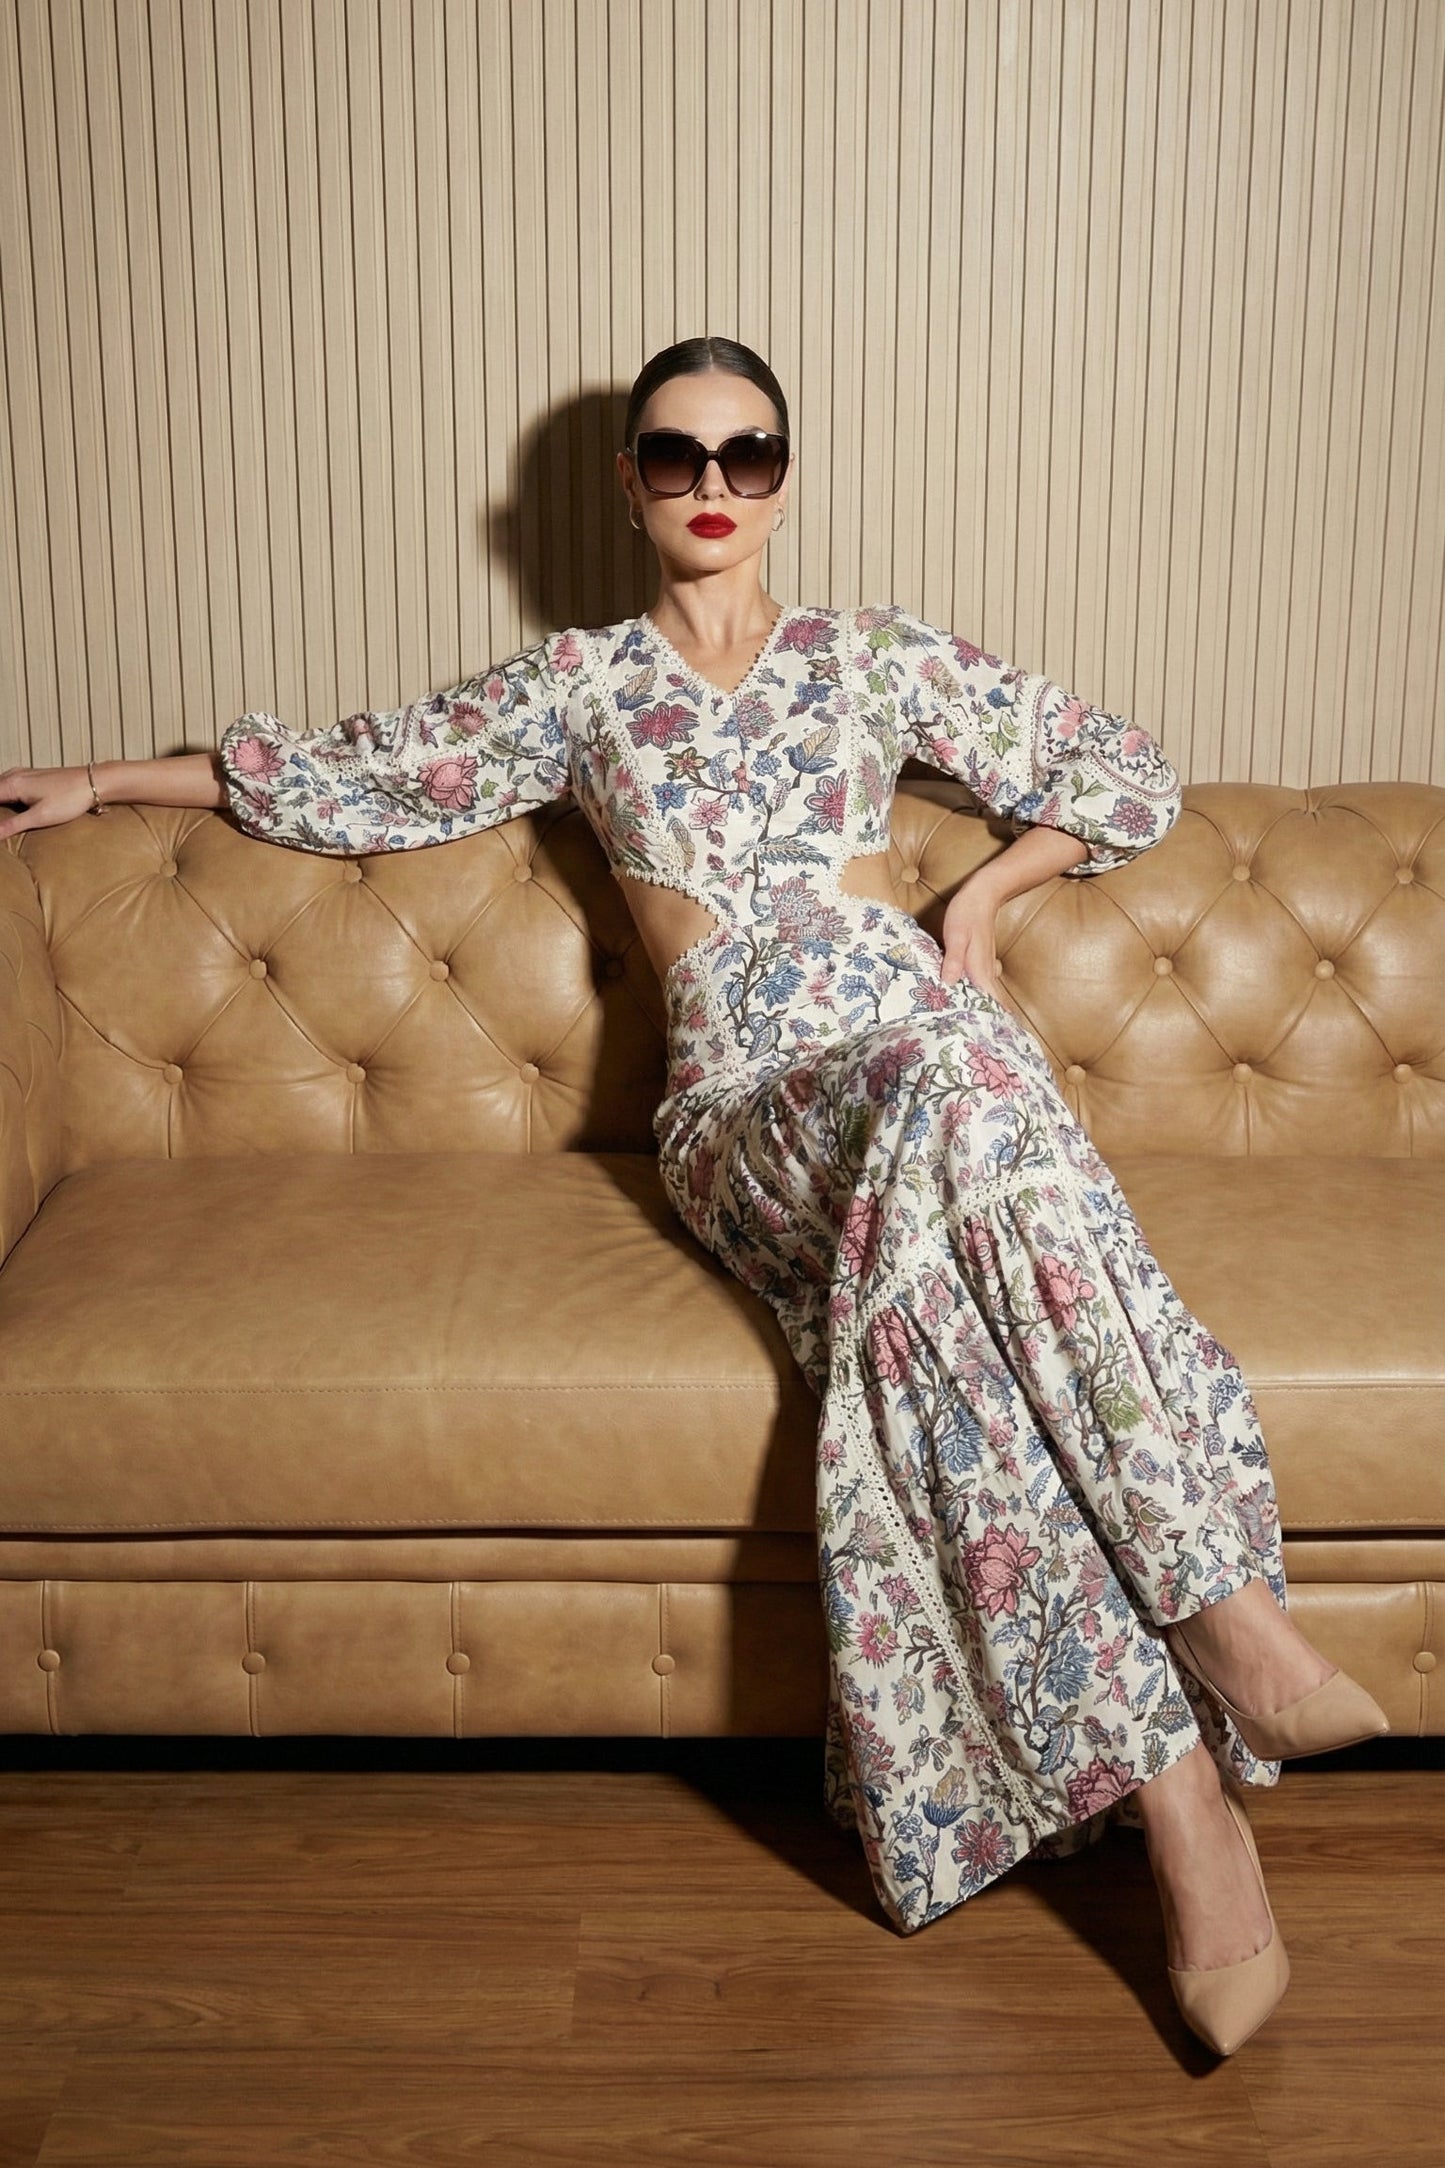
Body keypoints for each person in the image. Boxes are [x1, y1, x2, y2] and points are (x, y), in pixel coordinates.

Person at [0, 333, 1387, 2056]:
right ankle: (1217, 1616)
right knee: (971, 1098)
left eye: (749, 456)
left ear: (790, 473)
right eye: (676, 459)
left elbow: (1111, 769)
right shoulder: (580, 684)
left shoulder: (873, 655)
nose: (714, 490)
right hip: (754, 1101)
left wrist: (978, 912)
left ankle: (1187, 1816)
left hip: (919, 1048)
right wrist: (107, 782)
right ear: (628, 481)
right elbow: (368, 770)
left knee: (960, 1133)